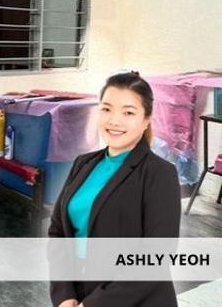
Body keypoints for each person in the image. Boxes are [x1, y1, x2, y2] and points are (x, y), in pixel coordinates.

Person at [49, 72, 181, 307]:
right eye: (107, 109)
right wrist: (64, 295)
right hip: (79, 295)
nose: (114, 121)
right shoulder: (83, 164)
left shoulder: (160, 174)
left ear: (146, 120)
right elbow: (58, 232)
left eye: (128, 112)